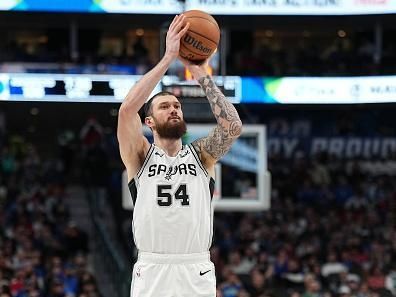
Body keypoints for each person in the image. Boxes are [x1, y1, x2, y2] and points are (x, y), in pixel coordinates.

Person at [117, 14, 242, 297]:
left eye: (177, 105)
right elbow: (127, 111)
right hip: (152, 266)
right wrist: (168, 58)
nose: (174, 109)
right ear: (149, 122)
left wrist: (200, 74)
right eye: (164, 106)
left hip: (195, 266)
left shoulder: (201, 156)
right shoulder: (140, 156)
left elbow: (232, 127)